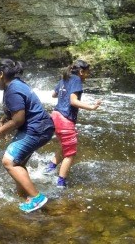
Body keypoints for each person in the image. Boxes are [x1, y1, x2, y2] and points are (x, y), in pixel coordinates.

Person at [0, 59, 55, 213]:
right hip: (41, 127)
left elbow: (19, 119)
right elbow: (20, 109)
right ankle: (25, 195)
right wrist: (4, 119)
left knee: (9, 162)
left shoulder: (13, 89)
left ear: (1, 74)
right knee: (18, 162)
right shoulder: (16, 84)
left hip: (36, 129)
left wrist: (2, 130)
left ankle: (36, 198)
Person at [44, 60, 102, 188]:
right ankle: (60, 183)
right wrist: (92, 107)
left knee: (64, 147)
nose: (88, 75)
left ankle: (49, 169)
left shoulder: (65, 78)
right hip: (65, 120)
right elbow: (73, 101)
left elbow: (54, 94)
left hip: (56, 116)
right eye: (87, 72)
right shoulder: (76, 80)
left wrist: (63, 92)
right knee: (70, 154)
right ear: (81, 72)